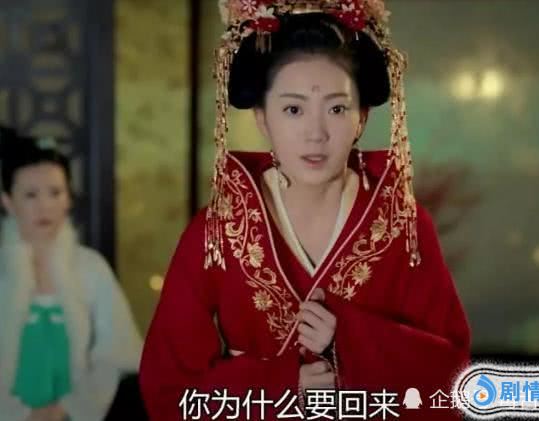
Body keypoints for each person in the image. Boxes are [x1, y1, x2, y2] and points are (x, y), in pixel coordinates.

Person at [140, 1, 471, 420]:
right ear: (262, 118)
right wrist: (280, 386)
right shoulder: (219, 229)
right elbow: (169, 388)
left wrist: (348, 337)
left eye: (337, 108)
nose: (316, 133)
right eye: (293, 109)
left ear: (362, 118)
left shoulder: (403, 225)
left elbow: (450, 379)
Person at [0, 127, 143, 421]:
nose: (45, 206)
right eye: (30, 195)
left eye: (55, 193)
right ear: (8, 201)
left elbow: (116, 353)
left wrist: (70, 408)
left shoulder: (92, 268)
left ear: (68, 198)